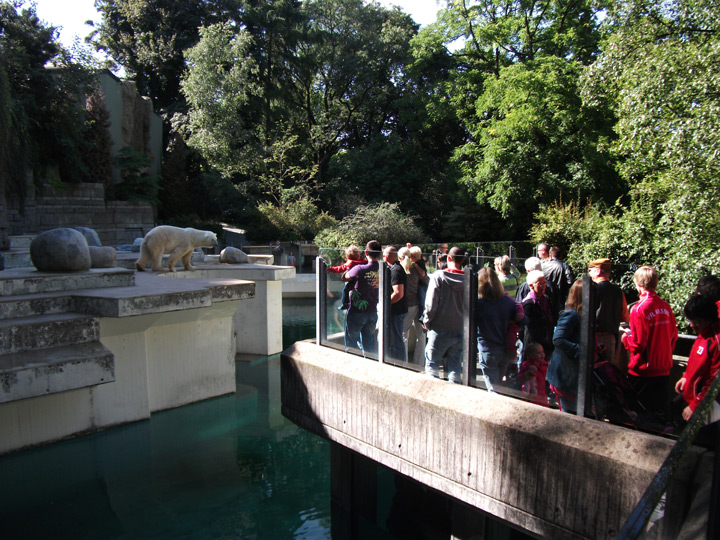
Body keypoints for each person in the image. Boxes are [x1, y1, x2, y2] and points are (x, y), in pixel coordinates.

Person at [620, 265, 678, 418]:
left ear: (638, 284)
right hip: (664, 367)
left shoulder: (639, 309)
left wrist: (626, 338)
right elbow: (674, 335)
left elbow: (638, 343)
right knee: (659, 414)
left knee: (637, 413)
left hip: (643, 370)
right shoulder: (666, 306)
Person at [675, 294, 720, 423]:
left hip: (706, 407)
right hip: (691, 398)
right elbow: (696, 360)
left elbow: (715, 381)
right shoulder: (703, 333)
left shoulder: (716, 341)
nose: (692, 325)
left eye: (696, 321)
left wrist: (695, 406)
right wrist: (686, 376)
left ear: (708, 319)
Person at [424, 247, 466, 384]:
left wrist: (427, 321)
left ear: (448, 258)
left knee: (432, 366)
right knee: (455, 367)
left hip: (439, 327)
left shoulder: (438, 276)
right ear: (463, 260)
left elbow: (431, 304)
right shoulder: (468, 279)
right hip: (460, 328)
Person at [475, 267, 517, 391]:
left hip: (488, 349)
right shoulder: (508, 301)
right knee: (498, 384)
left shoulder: (478, 304)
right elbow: (522, 320)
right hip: (505, 349)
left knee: (493, 388)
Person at [546, 279, 583, 413]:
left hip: (571, 374)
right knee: (569, 414)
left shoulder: (580, 315)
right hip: (565, 375)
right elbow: (558, 339)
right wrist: (581, 350)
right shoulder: (571, 315)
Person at [588, 258, 629, 368]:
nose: (589, 273)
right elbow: (624, 316)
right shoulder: (619, 291)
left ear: (598, 271)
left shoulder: (591, 290)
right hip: (610, 339)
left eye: (590, 270)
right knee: (608, 371)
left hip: (592, 337)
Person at [343, 240, 381, 356]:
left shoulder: (359, 269)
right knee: (369, 343)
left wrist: (348, 268)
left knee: (351, 344)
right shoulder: (383, 269)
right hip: (373, 311)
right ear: (379, 254)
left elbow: (345, 277)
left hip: (356, 312)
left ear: (366, 252)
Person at [399, 246, 428, 365]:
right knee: (421, 334)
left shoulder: (399, 270)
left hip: (407, 305)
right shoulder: (416, 269)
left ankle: (404, 362)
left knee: (404, 334)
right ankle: (420, 362)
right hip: (418, 305)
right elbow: (426, 280)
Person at [521, 270, 554, 357]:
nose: (544, 286)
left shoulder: (546, 299)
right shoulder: (528, 304)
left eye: (544, 282)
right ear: (531, 286)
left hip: (547, 344)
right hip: (534, 347)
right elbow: (528, 329)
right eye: (540, 283)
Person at [384, 245, 408, 363]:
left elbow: (398, 293)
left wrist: (384, 305)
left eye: (383, 255)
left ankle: (400, 364)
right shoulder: (394, 268)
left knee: (397, 340)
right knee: (395, 339)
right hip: (397, 310)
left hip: (396, 311)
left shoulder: (395, 270)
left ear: (387, 257)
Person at [327, 245, 367, 310]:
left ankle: (345, 304)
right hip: (363, 281)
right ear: (358, 255)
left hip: (353, 281)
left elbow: (339, 269)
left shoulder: (350, 263)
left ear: (348, 256)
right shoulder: (364, 262)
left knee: (345, 290)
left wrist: (329, 269)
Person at [518, 342, 549, 406]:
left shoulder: (544, 365)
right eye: (538, 353)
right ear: (530, 355)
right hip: (529, 393)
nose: (542, 354)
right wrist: (527, 374)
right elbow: (520, 378)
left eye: (542, 352)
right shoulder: (526, 365)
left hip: (541, 393)